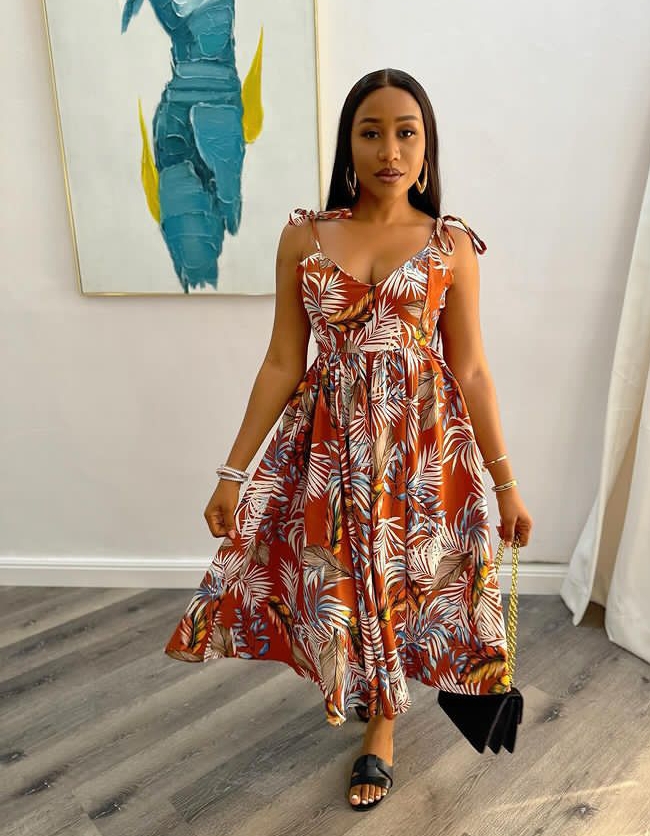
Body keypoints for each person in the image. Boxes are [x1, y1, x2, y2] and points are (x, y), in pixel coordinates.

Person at [163, 67, 534, 811]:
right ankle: (362, 694)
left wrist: (506, 484)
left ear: (426, 147)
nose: (389, 150)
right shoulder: (304, 237)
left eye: (406, 133)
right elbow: (281, 361)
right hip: (328, 449)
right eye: (371, 133)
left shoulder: (451, 245)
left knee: (397, 582)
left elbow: (470, 367)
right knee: (337, 585)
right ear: (349, 144)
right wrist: (232, 473)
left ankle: (382, 728)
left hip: (419, 453)